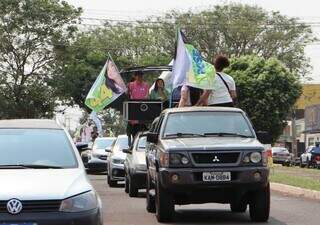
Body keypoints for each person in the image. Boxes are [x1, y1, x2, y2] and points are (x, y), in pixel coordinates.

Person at [126, 71, 149, 145]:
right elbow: (127, 96)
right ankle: (132, 145)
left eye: (141, 76)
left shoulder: (146, 85)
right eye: (138, 76)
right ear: (135, 76)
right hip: (133, 112)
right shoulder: (131, 85)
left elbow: (147, 96)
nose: (140, 77)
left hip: (143, 111)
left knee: (143, 131)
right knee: (133, 132)